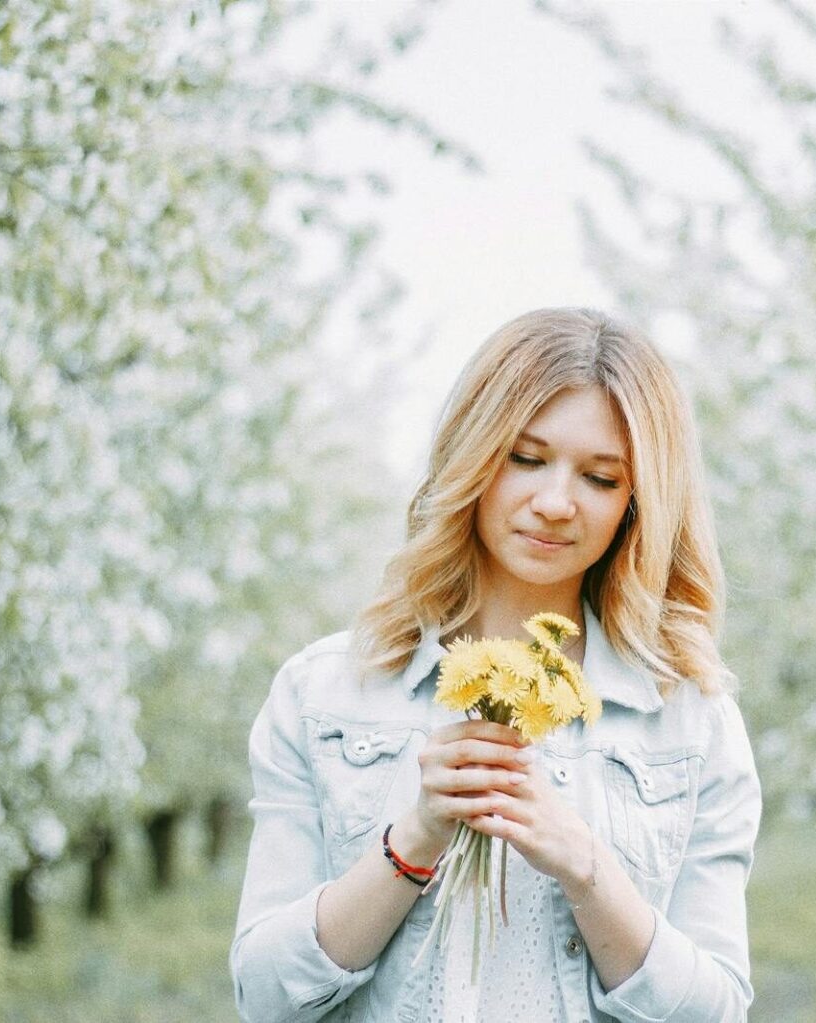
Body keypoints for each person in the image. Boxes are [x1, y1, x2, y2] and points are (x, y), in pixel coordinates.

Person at [230, 307, 761, 1023]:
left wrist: (585, 866)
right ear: (474, 455)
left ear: (637, 504)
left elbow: (717, 1010)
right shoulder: (325, 693)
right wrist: (414, 839)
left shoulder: (689, 719)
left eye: (600, 478)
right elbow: (263, 997)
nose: (554, 503)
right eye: (525, 458)